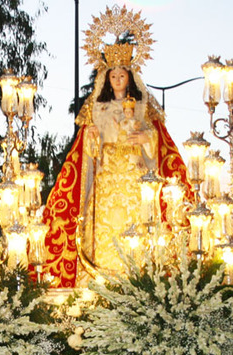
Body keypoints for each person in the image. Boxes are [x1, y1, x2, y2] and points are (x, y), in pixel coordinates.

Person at [41, 39, 192, 287]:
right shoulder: (97, 109)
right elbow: (87, 153)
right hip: (106, 181)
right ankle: (100, 281)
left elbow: (157, 145)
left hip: (135, 181)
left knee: (138, 229)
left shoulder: (143, 108)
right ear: (107, 79)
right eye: (114, 75)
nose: (118, 79)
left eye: (123, 75)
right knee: (103, 232)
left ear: (130, 78)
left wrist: (146, 138)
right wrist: (91, 138)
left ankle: (137, 281)